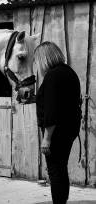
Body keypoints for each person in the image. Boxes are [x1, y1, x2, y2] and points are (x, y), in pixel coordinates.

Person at [34, 41, 81, 204]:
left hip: (56, 133)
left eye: (37, 60)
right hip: (69, 130)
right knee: (61, 169)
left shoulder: (52, 75)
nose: (37, 64)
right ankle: (62, 201)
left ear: (44, 58)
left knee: (55, 172)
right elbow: (61, 101)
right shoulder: (69, 72)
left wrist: (47, 138)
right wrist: (36, 99)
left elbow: (52, 110)